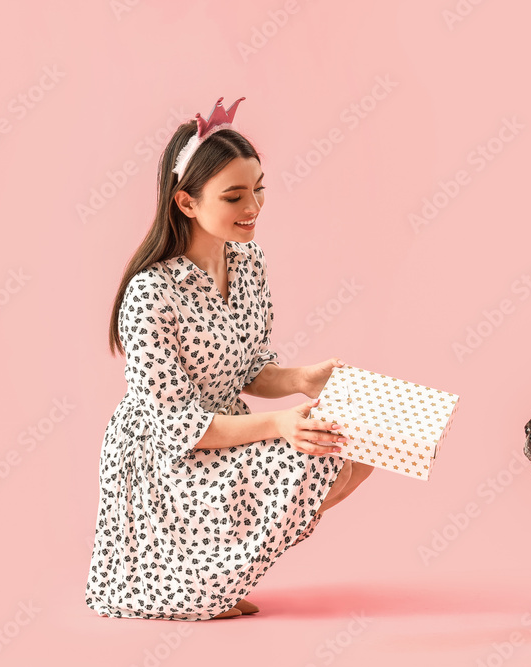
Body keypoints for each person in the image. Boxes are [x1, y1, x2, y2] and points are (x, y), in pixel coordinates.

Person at [85, 97, 373, 621]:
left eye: (259, 189)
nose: (254, 208)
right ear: (187, 203)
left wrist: (304, 378)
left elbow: (248, 369)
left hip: (232, 428)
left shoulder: (248, 261)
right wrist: (281, 425)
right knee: (317, 456)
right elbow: (176, 425)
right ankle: (198, 585)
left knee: (361, 446)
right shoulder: (150, 294)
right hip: (166, 458)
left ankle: (215, 577)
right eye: (235, 195)